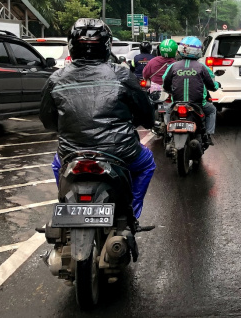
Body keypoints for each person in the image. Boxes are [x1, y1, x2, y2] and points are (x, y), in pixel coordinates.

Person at [40, 19, 156, 220]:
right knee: (147, 164)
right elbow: (146, 114)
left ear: (71, 45)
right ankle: (131, 214)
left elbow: (48, 121)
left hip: (70, 152)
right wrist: (142, 122)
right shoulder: (121, 74)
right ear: (107, 46)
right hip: (121, 150)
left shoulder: (56, 78)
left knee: (57, 166)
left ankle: (67, 207)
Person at [162, 36, 220, 146]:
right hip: (198, 104)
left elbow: (165, 83)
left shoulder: (173, 66)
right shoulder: (202, 67)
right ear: (198, 50)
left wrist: (169, 90)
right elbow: (212, 85)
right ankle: (208, 135)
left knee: (168, 111)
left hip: (176, 103)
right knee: (212, 110)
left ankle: (169, 134)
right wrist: (216, 86)